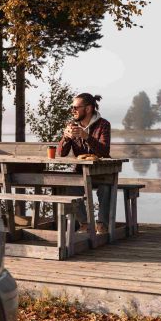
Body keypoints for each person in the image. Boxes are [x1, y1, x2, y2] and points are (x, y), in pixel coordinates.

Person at [57, 93, 111, 234]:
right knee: (70, 187)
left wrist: (86, 137)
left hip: (102, 173)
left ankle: (102, 225)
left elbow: (104, 152)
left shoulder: (103, 125)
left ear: (88, 109)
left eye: (75, 107)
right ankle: (85, 224)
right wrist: (66, 138)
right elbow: (61, 153)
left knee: (105, 188)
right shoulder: (73, 125)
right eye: (72, 107)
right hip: (81, 172)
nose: (72, 110)